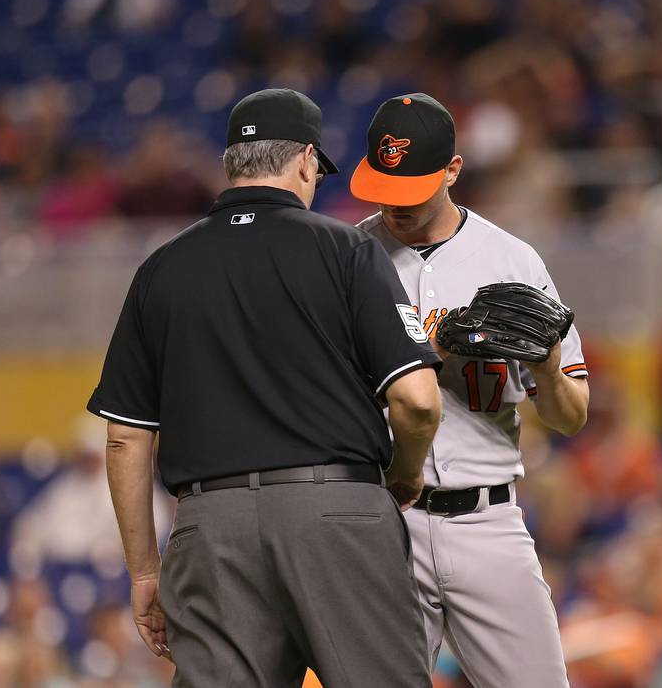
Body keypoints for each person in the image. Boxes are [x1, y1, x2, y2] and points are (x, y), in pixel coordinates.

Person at [87, 88, 441, 687]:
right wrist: (404, 474)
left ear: (233, 165)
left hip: (209, 526)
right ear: (306, 160)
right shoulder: (348, 249)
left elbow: (125, 439)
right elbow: (417, 399)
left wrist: (146, 571)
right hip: (337, 512)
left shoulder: (161, 268)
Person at [351, 92, 590, 687]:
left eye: (412, 189)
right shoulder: (348, 259)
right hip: (383, 523)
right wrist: (430, 353)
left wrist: (547, 365)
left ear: (453, 171)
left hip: (488, 519)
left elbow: (570, 417)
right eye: (387, 186)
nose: (395, 206)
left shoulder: (512, 260)